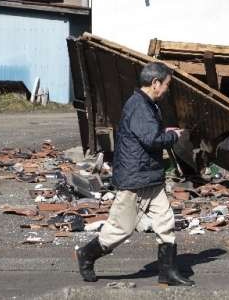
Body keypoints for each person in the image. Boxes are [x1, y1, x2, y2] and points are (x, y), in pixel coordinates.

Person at [75, 62, 194, 286]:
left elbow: (147, 133)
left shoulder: (147, 104)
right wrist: (174, 136)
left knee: (165, 221)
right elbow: (152, 140)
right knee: (120, 229)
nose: (167, 89)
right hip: (135, 178)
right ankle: (86, 254)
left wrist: (165, 131)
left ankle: (167, 272)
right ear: (155, 83)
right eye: (166, 84)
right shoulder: (140, 106)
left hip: (149, 177)